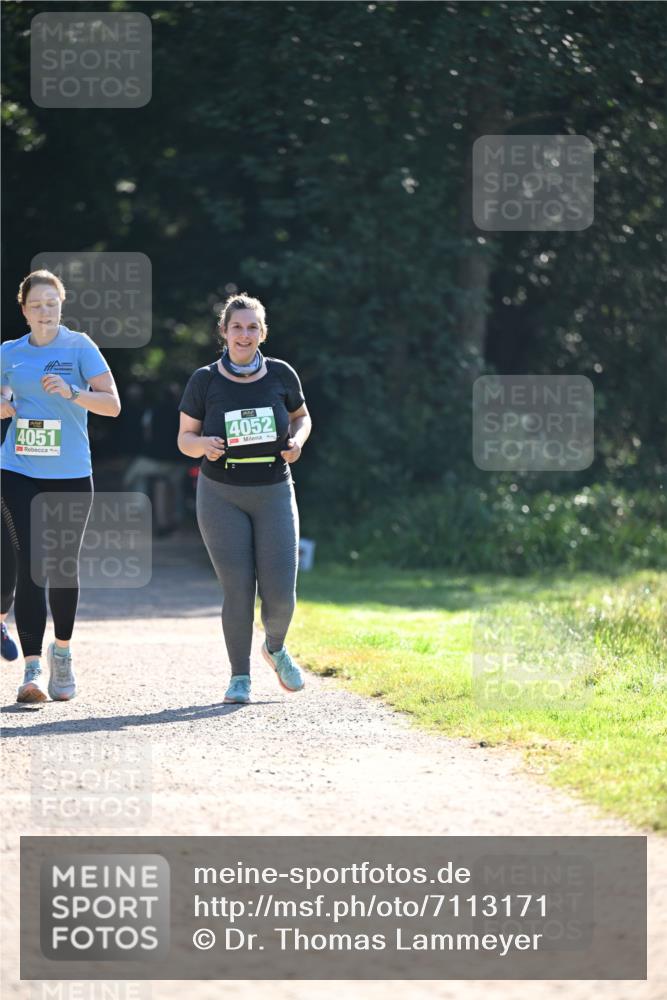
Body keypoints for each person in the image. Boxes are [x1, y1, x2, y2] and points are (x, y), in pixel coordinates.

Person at [178, 292, 312, 704]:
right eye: (236, 326)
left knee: (281, 596)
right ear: (223, 331)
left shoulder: (281, 374)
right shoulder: (205, 379)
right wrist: (204, 445)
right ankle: (240, 677)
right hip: (221, 494)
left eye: (252, 326)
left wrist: (298, 443)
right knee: (238, 588)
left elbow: (301, 417)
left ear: (262, 332)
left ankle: (274, 647)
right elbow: (185, 439)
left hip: (273, 489)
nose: (244, 334)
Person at [0, 269, 121, 703]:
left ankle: (62, 654)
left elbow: (112, 404)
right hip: (17, 469)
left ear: (61, 306)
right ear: (24, 310)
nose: (45, 311)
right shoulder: (9, 352)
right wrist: (4, 405)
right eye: (36, 305)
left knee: (63, 566)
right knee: (31, 562)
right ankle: (31, 671)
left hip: (70, 472)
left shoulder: (80, 346)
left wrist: (73, 392)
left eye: (51, 303)